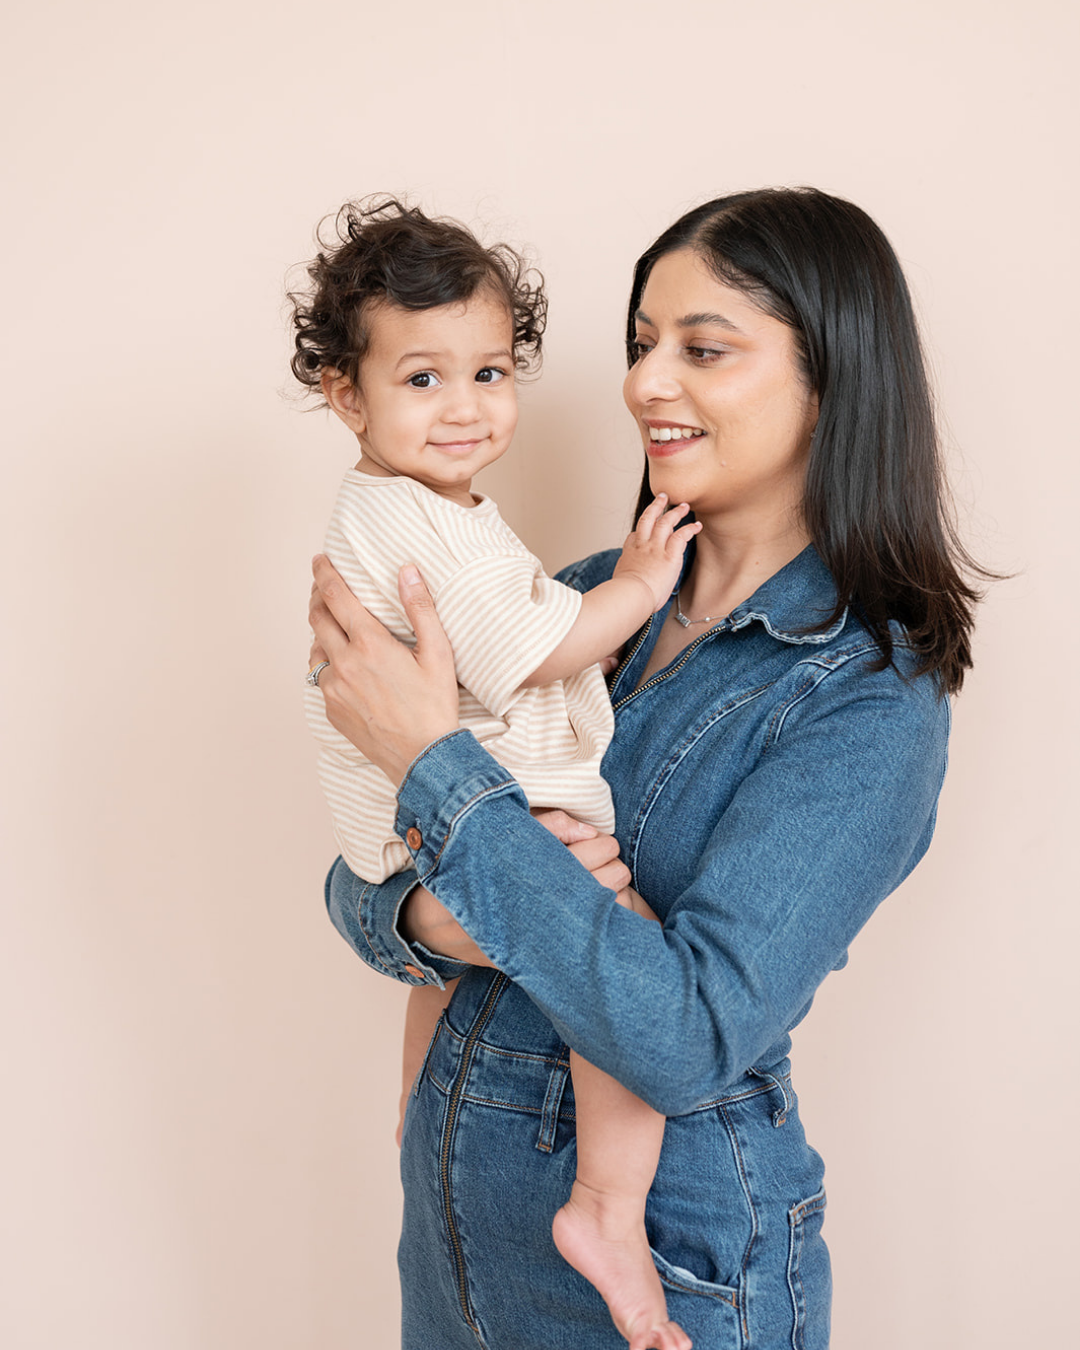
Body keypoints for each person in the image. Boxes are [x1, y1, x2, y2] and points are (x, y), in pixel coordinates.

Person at [307, 188, 985, 1350]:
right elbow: (356, 887)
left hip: (672, 1260)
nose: (643, 384)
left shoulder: (866, 696)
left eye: (702, 350)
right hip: (459, 1222)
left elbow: (682, 1034)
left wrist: (438, 775)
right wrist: (443, 912)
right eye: (640, 344)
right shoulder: (570, 605)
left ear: (834, 378)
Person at [293, 198, 701, 1350]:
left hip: (406, 825)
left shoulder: (407, 507)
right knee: (609, 939)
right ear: (344, 394)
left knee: (448, 970)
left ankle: (416, 1117)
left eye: (487, 371)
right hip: (466, 797)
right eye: (422, 380)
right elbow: (535, 646)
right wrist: (634, 585)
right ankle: (608, 1210)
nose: (465, 407)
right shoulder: (427, 526)